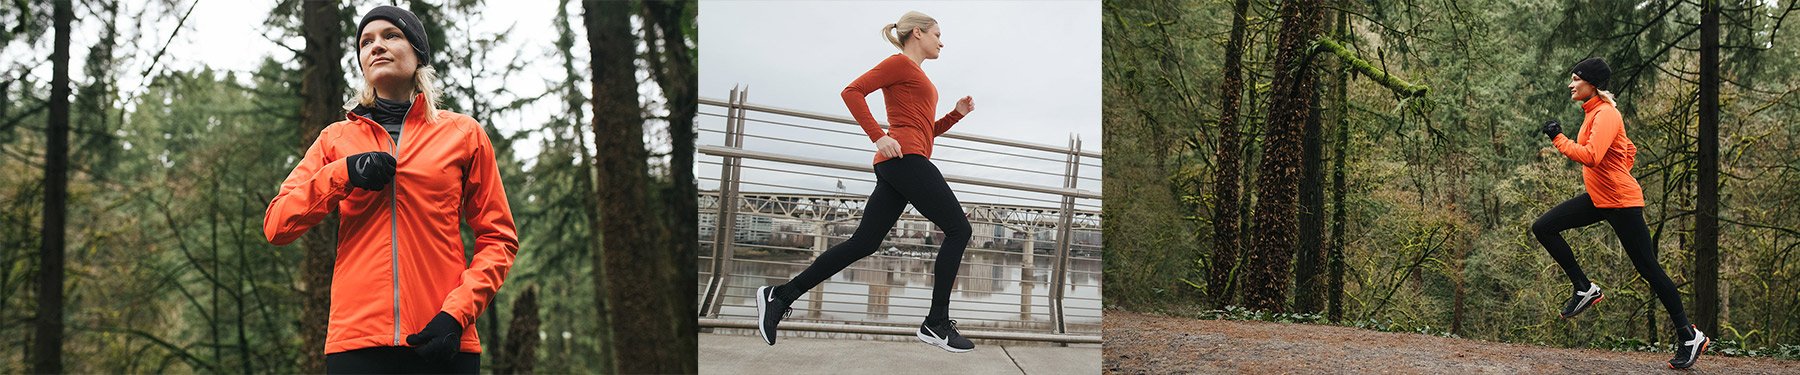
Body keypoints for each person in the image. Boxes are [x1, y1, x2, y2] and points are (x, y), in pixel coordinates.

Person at [262, 6, 518, 374]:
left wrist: (456, 315)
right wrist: (344, 173)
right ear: (363, 63)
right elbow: (277, 224)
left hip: (442, 339)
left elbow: (499, 238)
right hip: (357, 344)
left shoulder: (464, 134)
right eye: (366, 42)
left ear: (418, 53)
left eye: (390, 36)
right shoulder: (335, 140)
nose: (376, 46)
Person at [754, 10, 979, 353]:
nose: (941, 41)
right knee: (959, 229)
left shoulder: (916, 75)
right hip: (904, 161)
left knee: (864, 243)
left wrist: (954, 115)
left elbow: (923, 131)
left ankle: (780, 294)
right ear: (917, 33)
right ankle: (936, 323)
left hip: (904, 160)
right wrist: (878, 136)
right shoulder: (899, 63)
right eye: (937, 34)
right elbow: (852, 91)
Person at [1534, 57, 1708, 369]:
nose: (1571, 85)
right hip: (1602, 198)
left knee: (1649, 269)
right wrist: (1616, 171)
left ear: (1592, 83)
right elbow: (1627, 151)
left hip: (1620, 202)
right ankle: (1584, 287)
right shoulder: (1593, 114)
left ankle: (1689, 335)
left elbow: (1592, 155)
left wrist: (1558, 139)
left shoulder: (1606, 114)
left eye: (1576, 79)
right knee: (1543, 227)